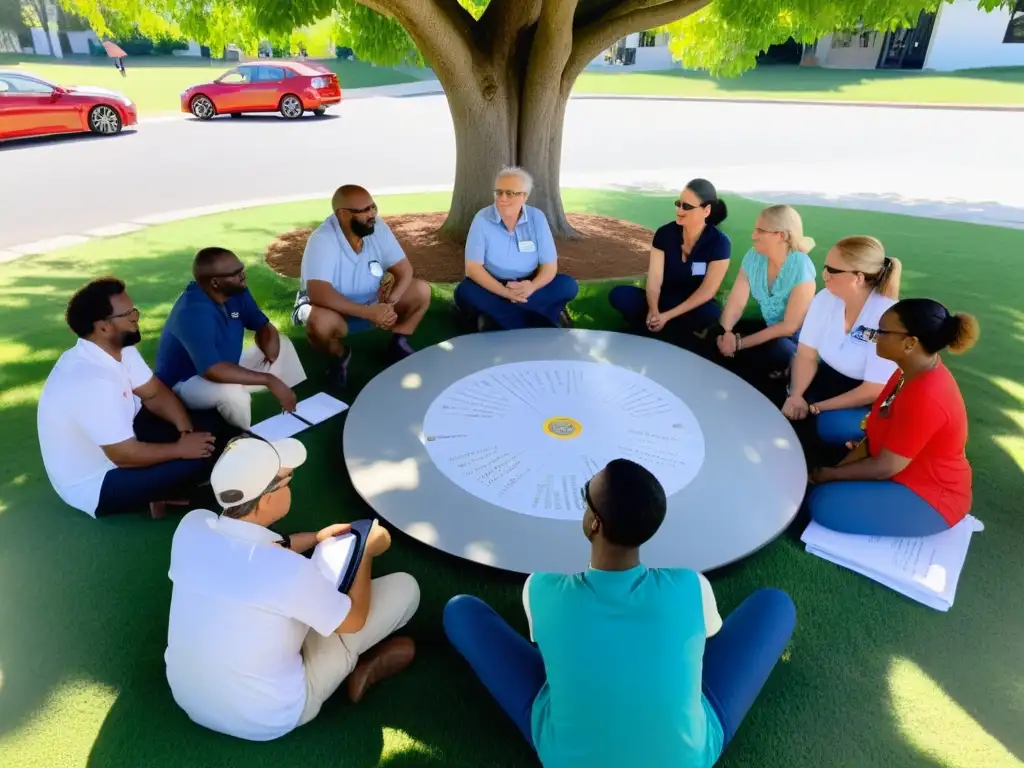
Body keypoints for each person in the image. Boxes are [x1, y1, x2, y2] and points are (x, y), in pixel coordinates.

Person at [443, 458, 796, 768]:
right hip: (685, 760)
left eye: (586, 495)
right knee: (776, 605)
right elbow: (711, 634)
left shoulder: (542, 589)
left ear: (594, 523)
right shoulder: (691, 586)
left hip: (568, 760)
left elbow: (541, 645)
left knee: (460, 612)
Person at [165, 436, 420, 741]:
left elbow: (255, 549)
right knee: (406, 590)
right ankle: (364, 665)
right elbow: (353, 622)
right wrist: (365, 550)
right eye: (288, 480)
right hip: (270, 716)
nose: (291, 485)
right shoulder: (290, 571)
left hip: (188, 697)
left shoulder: (192, 527)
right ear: (268, 499)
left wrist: (314, 538)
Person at [37, 277, 237, 520]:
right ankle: (166, 494)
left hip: (129, 433)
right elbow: (123, 455)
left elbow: (154, 393)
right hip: (98, 481)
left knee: (209, 425)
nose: (136, 316)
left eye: (134, 309)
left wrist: (185, 431)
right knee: (196, 461)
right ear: (103, 327)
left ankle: (166, 486)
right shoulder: (90, 381)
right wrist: (180, 449)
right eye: (128, 313)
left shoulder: (119, 347)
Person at [807, 300, 979, 537]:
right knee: (829, 424)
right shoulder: (907, 371)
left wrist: (829, 474)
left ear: (910, 343)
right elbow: (877, 425)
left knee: (822, 503)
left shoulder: (927, 396)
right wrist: (838, 470)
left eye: (883, 331)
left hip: (932, 496)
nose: (875, 336)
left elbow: (885, 467)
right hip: (896, 459)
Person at [293, 185, 432, 390]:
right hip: (335, 311)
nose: (372, 215)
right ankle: (339, 357)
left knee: (421, 290)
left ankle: (398, 343)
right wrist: (367, 313)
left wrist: (390, 304)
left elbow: (404, 270)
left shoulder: (377, 227)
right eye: (364, 211)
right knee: (318, 322)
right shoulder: (323, 240)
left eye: (373, 207)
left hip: (372, 304)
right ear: (342, 214)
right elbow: (319, 293)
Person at [155, 247, 307, 431]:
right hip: (186, 382)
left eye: (241, 269)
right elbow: (212, 370)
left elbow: (262, 326)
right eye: (235, 274)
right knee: (232, 393)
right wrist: (269, 379)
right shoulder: (193, 312)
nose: (243, 276)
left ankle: (291, 407)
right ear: (215, 282)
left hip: (225, 364)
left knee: (281, 343)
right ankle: (242, 437)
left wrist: (271, 359)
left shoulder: (236, 291)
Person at [782, 236, 902, 453]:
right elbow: (806, 355)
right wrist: (796, 395)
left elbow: (873, 389)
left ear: (858, 277)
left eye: (832, 270)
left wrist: (817, 407)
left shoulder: (887, 316)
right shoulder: (824, 299)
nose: (824, 275)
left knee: (829, 427)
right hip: (826, 380)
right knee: (789, 411)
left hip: (866, 397)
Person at [453, 166, 578, 331]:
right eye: (499, 192)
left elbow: (549, 266)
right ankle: (544, 317)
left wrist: (531, 287)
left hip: (530, 285)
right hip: (493, 286)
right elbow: (473, 269)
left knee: (567, 285)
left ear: (524, 196)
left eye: (510, 193)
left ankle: (498, 319)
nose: (502, 198)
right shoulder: (482, 219)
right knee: (465, 292)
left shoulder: (537, 217)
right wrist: (505, 293)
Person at [608, 179, 731, 347]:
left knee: (711, 312)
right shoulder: (664, 234)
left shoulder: (720, 243)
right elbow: (654, 279)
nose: (679, 210)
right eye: (678, 203)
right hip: (661, 299)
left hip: (692, 305)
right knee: (619, 295)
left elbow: (707, 292)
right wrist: (654, 310)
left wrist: (667, 316)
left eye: (687, 206)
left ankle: (654, 328)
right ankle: (674, 331)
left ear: (706, 210)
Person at [714, 205, 817, 387]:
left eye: (760, 231)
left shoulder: (801, 266)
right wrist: (725, 334)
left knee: (775, 352)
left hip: (798, 342)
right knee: (713, 337)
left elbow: (789, 327)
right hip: (771, 332)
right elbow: (736, 303)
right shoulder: (754, 256)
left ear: (782, 236)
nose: (753, 235)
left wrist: (739, 343)